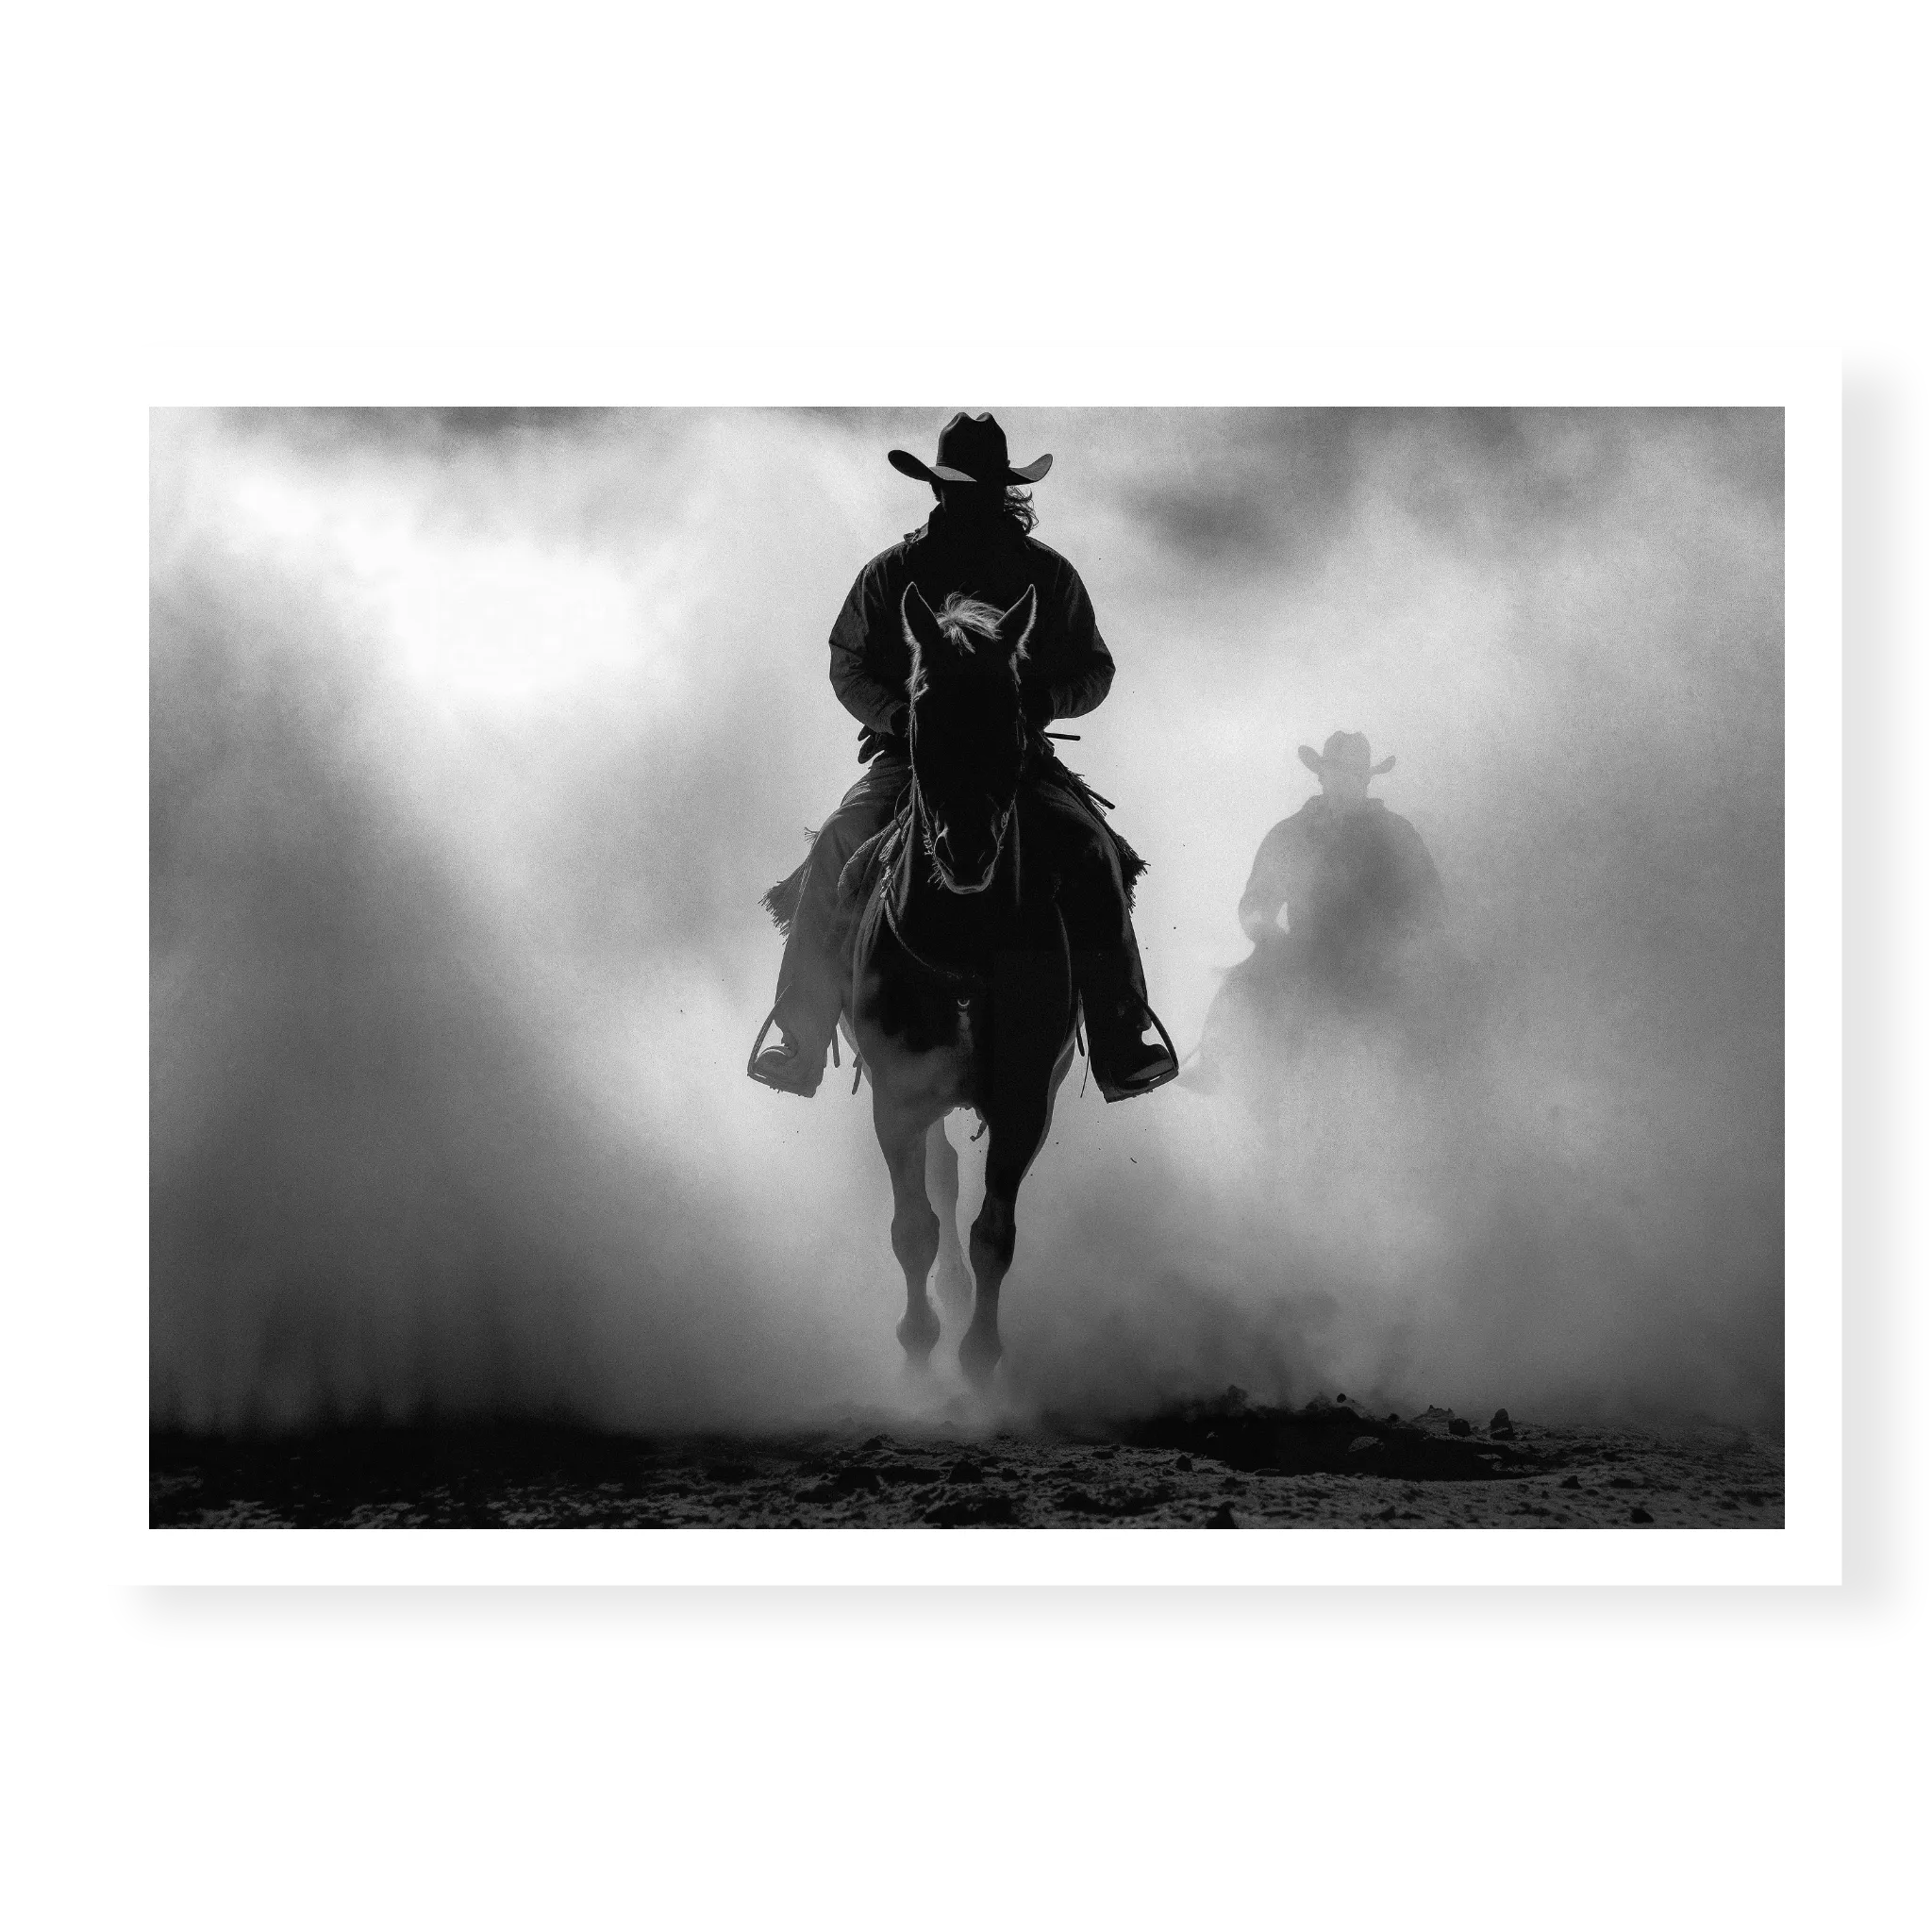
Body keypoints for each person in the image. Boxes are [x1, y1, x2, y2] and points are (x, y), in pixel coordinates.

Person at [750, 411, 1176, 1103]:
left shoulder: (1049, 576)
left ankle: (1121, 1034)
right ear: (939, 489)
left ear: (998, 492)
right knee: (836, 845)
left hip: (1017, 762)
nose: (967, 499)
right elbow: (848, 663)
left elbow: (1094, 671)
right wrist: (897, 719)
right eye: (957, 487)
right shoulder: (892, 573)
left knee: (1093, 851)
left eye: (979, 488)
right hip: (913, 758)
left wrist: (1041, 706)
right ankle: (798, 1037)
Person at [1187, 731, 1446, 1088]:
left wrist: (1404, 944)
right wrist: (1269, 935)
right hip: (1305, 954)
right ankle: (1215, 1065)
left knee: (1444, 998)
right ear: (1322, 776)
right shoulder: (1291, 834)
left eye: (1354, 774)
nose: (1345, 781)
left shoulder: (1397, 834)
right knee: (1243, 985)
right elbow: (1255, 904)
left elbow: (1430, 902)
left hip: (1383, 958)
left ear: (1366, 780)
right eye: (1337, 772)